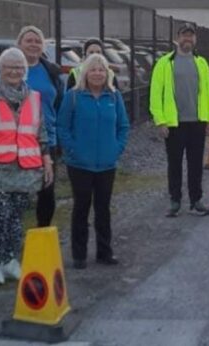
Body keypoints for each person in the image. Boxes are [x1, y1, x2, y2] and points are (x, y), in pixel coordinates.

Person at [0, 48, 54, 285]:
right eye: (9, 66)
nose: (14, 71)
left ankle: (10, 259)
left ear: (25, 70)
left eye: (19, 67)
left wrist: (47, 158)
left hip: (25, 169)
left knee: (16, 217)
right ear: (0, 69)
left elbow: (40, 132)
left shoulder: (33, 97)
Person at [58, 53, 130, 269]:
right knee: (81, 208)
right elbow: (63, 126)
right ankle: (79, 254)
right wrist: (73, 149)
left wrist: (116, 149)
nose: (97, 73)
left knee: (103, 208)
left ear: (106, 73)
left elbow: (123, 126)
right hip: (80, 164)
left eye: (101, 69)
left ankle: (104, 252)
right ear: (85, 73)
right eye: (93, 69)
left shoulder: (114, 97)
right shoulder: (73, 96)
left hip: (107, 164)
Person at [0, 26, 63, 228]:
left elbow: (59, 103)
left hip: (47, 141)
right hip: (12, 141)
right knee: (7, 191)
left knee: (46, 189)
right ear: (19, 44)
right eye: (28, 40)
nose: (33, 44)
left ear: (43, 46)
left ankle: (42, 236)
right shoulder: (3, 69)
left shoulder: (51, 71)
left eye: (37, 41)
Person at [149, 23, 209, 217]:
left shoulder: (201, 63)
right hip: (174, 124)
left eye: (191, 36)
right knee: (175, 163)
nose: (188, 39)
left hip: (197, 122)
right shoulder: (165, 63)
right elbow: (155, 94)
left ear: (195, 39)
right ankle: (175, 200)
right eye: (184, 35)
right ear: (178, 38)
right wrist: (160, 121)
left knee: (195, 164)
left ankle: (196, 200)